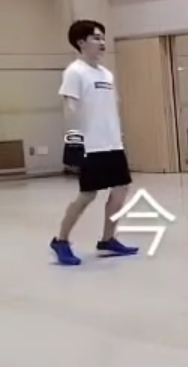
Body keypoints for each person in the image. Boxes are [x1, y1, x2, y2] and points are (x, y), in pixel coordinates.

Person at [49, 19, 140, 266]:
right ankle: (61, 240)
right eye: (96, 38)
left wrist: (118, 135)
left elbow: (110, 107)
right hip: (90, 145)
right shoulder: (75, 72)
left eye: (103, 38)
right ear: (81, 42)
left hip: (112, 143)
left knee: (121, 189)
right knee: (87, 194)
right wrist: (74, 143)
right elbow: (70, 110)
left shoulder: (106, 74)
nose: (102, 43)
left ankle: (108, 239)